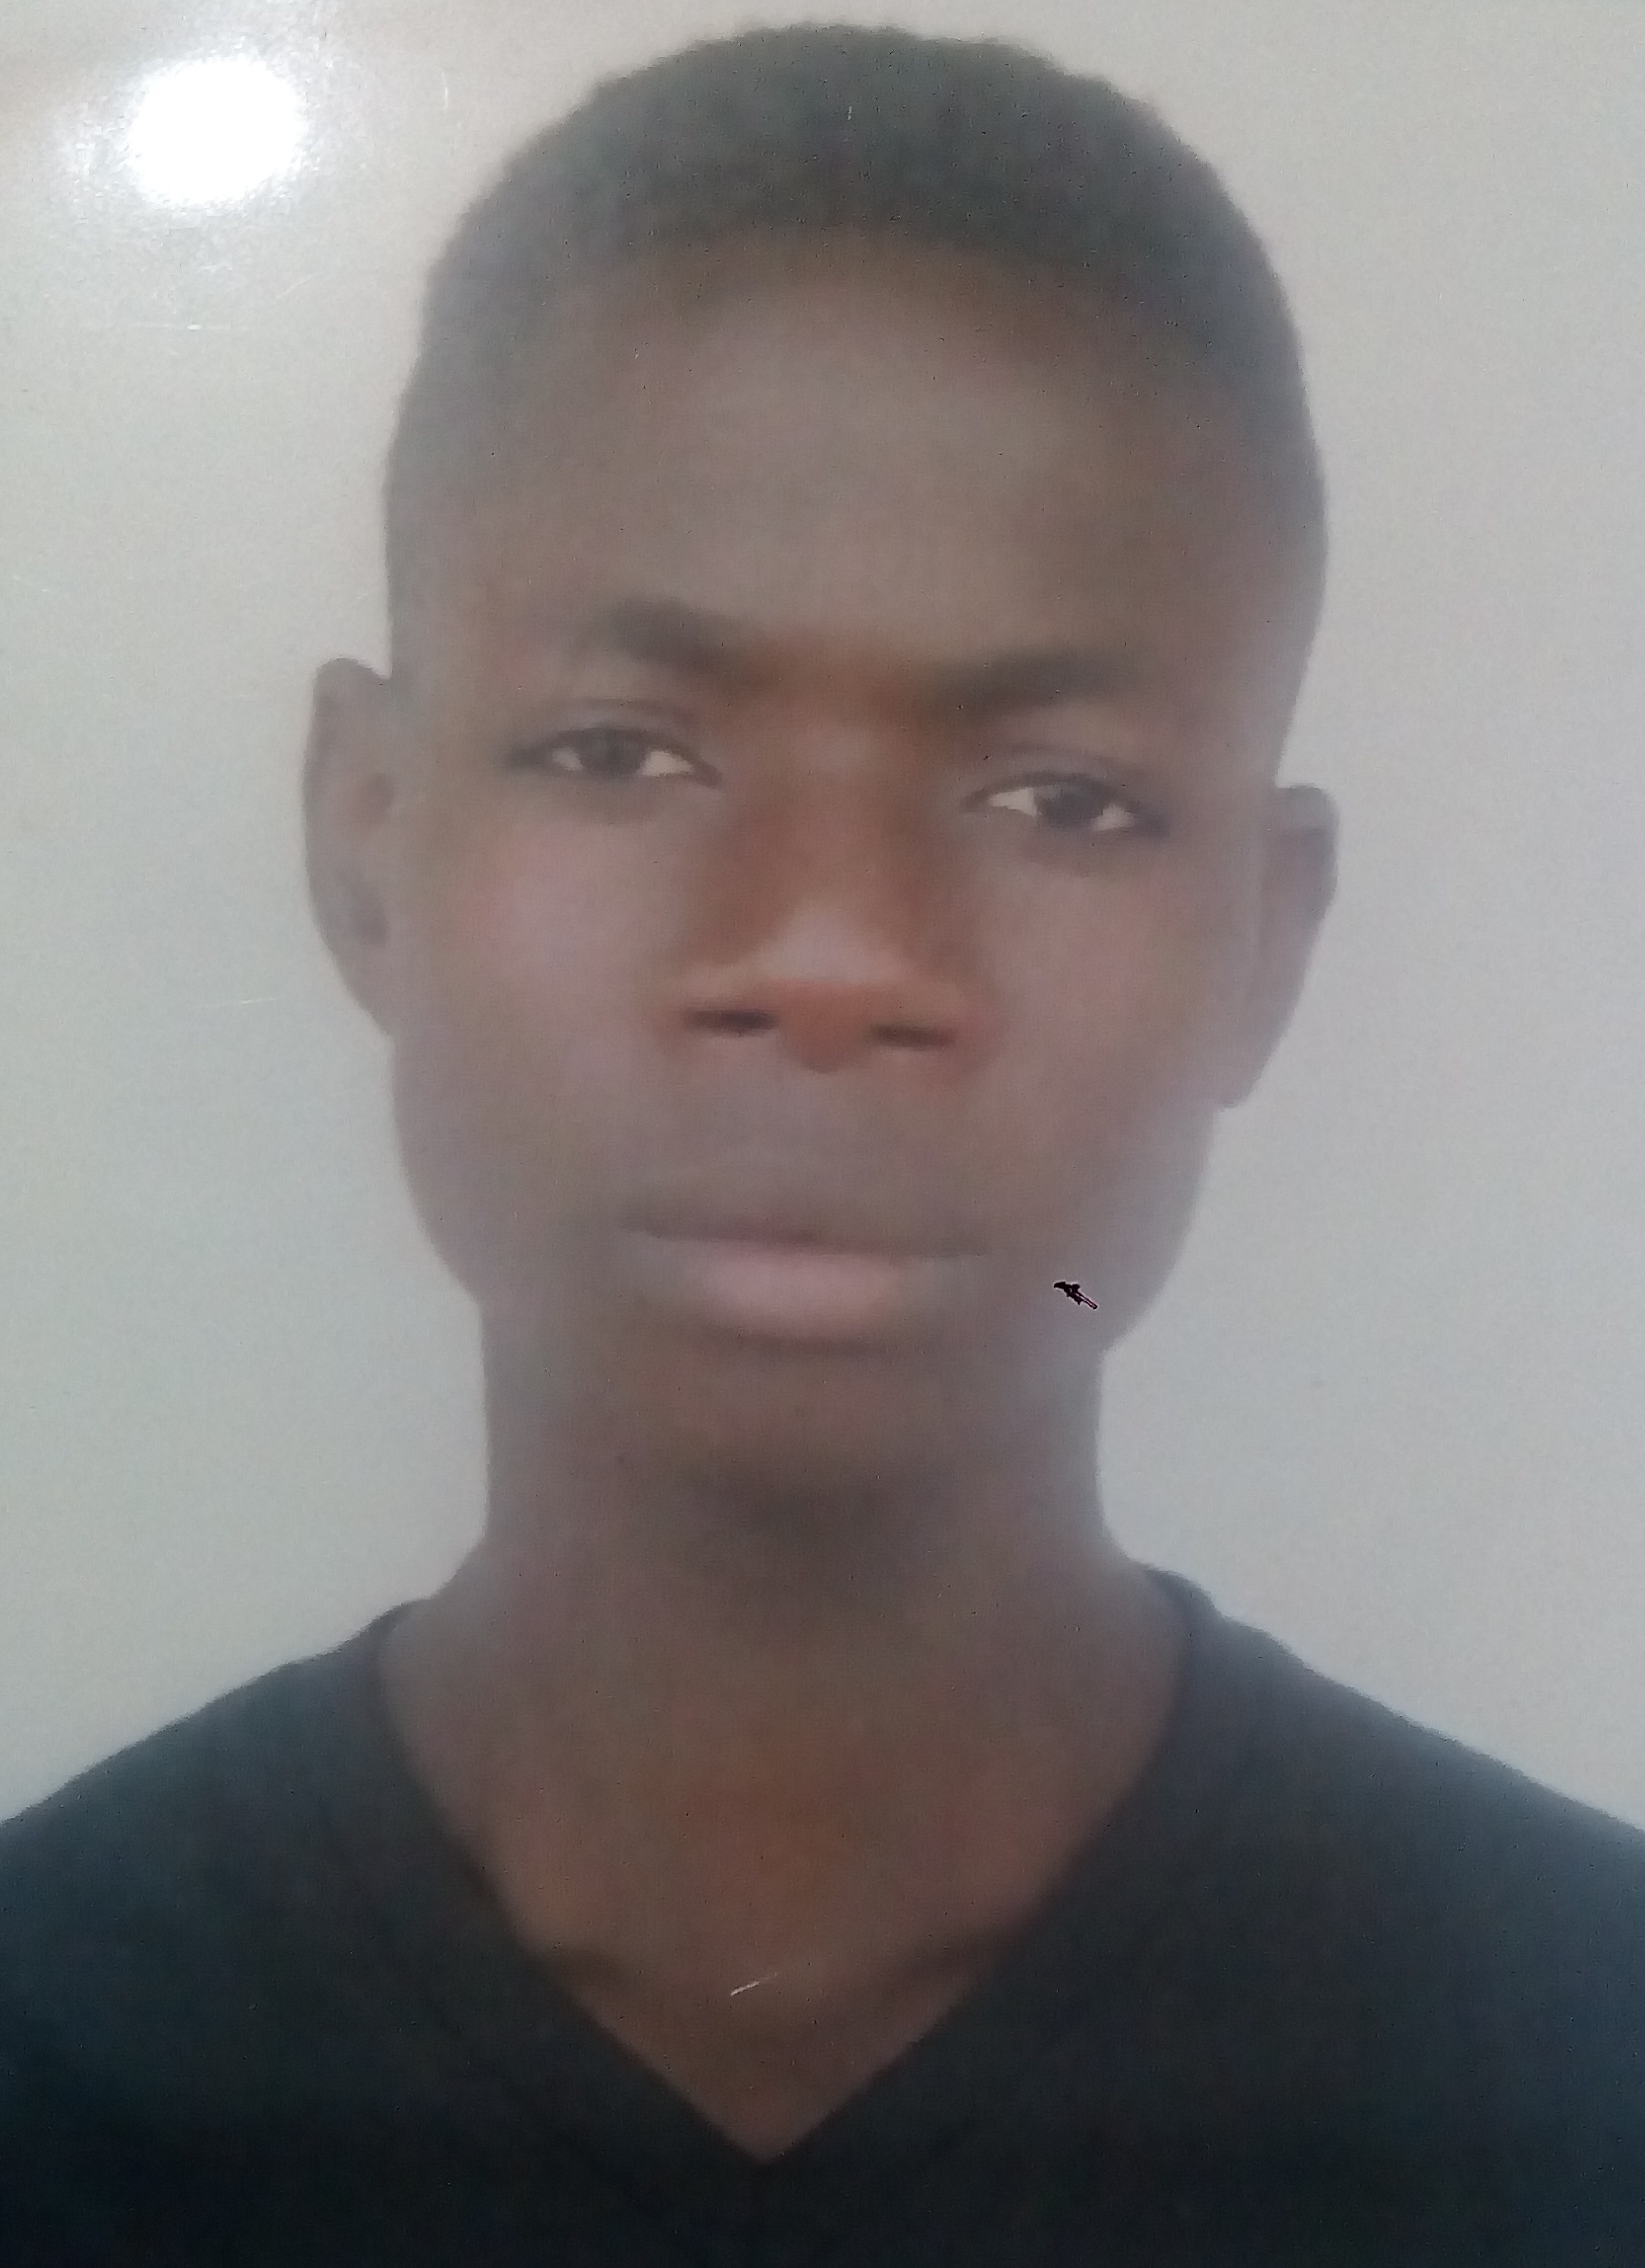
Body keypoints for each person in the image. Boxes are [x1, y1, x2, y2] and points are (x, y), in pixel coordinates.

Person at [3, 22, 1642, 2263]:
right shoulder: (59, 2053)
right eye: (621, 751)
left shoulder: (1583, 2081)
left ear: (1264, 946)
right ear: (365, 840)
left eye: (1062, 797)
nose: (832, 953)